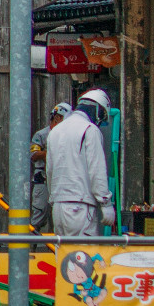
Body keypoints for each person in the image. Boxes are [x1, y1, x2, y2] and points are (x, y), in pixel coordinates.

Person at [46, 89, 114, 237]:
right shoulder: (90, 130)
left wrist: (53, 198)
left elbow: (50, 170)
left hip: (58, 205)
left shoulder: (55, 131)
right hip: (80, 205)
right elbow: (97, 170)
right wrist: (105, 203)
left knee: (63, 256)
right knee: (83, 255)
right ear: (98, 110)